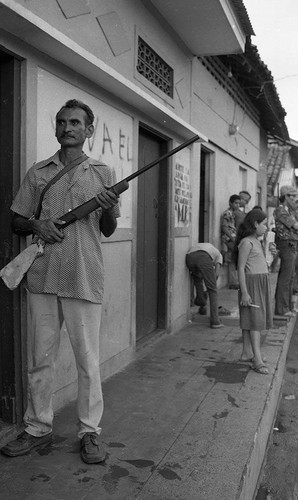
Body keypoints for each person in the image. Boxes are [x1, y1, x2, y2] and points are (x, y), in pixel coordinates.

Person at [1, 99, 121, 464]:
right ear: (56, 128)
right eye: (61, 121)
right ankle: (37, 427)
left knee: (89, 363)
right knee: (40, 358)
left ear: (88, 130)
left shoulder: (103, 172)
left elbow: (108, 228)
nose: (67, 127)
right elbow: (16, 221)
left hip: (83, 277)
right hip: (41, 276)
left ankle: (89, 432)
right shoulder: (38, 172)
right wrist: (37, 225)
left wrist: (111, 206)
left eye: (75, 122)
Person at [233, 209, 272, 374]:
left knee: (252, 319)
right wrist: (245, 292)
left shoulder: (257, 241)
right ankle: (257, 358)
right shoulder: (246, 242)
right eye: (264, 224)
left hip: (260, 283)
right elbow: (240, 268)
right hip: (251, 284)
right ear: (255, 224)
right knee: (255, 321)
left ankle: (246, 353)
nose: (267, 228)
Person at [186, 242, 224, 328]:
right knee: (213, 290)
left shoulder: (206, 246)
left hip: (189, 257)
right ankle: (215, 321)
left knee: (198, 281)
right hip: (203, 257)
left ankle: (202, 304)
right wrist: (211, 284)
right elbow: (216, 274)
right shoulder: (219, 255)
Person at [273, 185, 298, 317]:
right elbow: (295, 225)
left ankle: (287, 306)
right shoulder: (281, 210)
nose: (295, 198)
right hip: (286, 244)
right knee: (286, 277)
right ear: (286, 197)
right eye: (292, 196)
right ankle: (282, 309)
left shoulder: (289, 210)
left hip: (292, 244)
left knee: (290, 276)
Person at [220, 194, 241, 289]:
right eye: (236, 203)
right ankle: (233, 282)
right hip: (229, 239)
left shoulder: (232, 213)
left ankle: (234, 281)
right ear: (230, 203)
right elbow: (224, 228)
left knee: (233, 259)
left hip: (232, 238)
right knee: (233, 259)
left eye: (239, 203)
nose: (238, 205)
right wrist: (233, 239)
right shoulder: (227, 213)